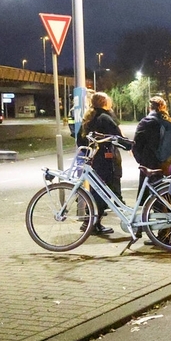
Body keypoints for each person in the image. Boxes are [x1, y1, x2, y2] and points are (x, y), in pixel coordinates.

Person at [76, 91, 123, 236]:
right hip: (106, 159)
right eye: (109, 101)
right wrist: (130, 145)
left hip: (94, 159)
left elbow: (80, 140)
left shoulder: (89, 117)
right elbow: (118, 137)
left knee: (96, 190)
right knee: (104, 191)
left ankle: (90, 222)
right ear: (105, 103)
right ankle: (92, 224)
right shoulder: (105, 118)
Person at [132, 96, 171, 189]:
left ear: (150, 108)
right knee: (165, 192)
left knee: (147, 193)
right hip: (168, 164)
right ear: (164, 108)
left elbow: (136, 145)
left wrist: (141, 161)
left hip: (150, 163)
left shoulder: (145, 122)